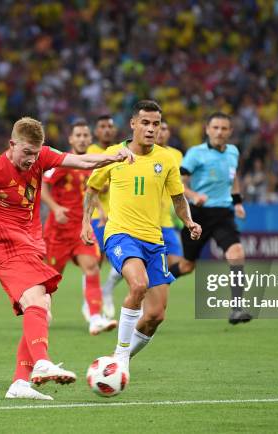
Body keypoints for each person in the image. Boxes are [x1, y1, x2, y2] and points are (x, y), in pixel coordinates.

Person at [0, 117, 133, 400]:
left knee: (43, 307)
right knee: (37, 302)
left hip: (32, 247)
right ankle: (42, 363)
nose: (31, 159)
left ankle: (20, 383)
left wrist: (114, 156)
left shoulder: (40, 157)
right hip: (6, 250)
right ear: (12, 145)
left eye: (35, 153)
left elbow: (82, 162)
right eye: (26, 153)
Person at [81, 100, 201, 370]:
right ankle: (121, 357)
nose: (150, 129)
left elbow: (178, 197)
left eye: (156, 124)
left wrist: (189, 222)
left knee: (156, 315)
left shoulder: (167, 159)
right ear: (133, 124)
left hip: (154, 241)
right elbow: (92, 190)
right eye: (145, 123)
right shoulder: (113, 155)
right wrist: (86, 223)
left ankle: (119, 358)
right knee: (138, 285)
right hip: (121, 235)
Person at [169, 112, 251, 325]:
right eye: (215, 128)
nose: (219, 132)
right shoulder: (195, 154)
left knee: (236, 254)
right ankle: (155, 284)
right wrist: (194, 196)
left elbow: (233, 179)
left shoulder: (233, 152)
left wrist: (238, 202)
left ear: (230, 132)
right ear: (207, 129)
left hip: (223, 213)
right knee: (187, 266)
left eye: (224, 129)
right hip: (198, 215)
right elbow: (178, 184)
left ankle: (237, 308)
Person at [41, 119, 118, 335]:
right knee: (51, 279)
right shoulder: (62, 162)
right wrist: (55, 208)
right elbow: (43, 187)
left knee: (92, 266)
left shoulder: (90, 164)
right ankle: (41, 312)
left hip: (81, 228)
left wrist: (100, 211)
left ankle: (95, 318)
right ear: (71, 139)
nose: (83, 139)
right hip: (58, 230)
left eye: (86, 135)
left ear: (90, 139)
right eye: (79, 135)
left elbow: (89, 193)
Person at [100, 119, 184, 297]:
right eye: (147, 124)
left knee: (180, 263)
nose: (156, 131)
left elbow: (180, 189)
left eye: (160, 126)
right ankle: (116, 283)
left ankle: (148, 286)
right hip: (129, 225)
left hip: (163, 224)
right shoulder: (121, 153)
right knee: (135, 277)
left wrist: (187, 217)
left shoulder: (174, 156)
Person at [85, 114, 118, 319]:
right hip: (99, 216)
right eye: (102, 126)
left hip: (118, 217)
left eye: (109, 126)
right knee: (95, 262)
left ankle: (106, 291)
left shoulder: (119, 151)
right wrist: (101, 210)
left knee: (121, 261)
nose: (106, 130)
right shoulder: (92, 152)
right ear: (96, 132)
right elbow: (90, 186)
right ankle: (91, 304)